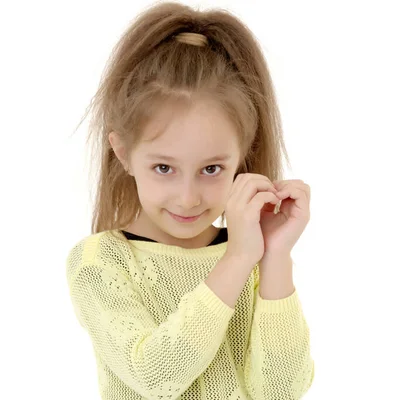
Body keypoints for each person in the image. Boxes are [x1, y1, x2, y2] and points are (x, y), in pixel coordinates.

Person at [64, 2, 315, 399]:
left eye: (212, 169)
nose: (188, 198)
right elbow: (157, 377)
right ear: (124, 153)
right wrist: (236, 259)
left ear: (241, 157)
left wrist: (274, 256)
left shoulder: (252, 258)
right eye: (164, 168)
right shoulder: (100, 263)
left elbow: (282, 390)